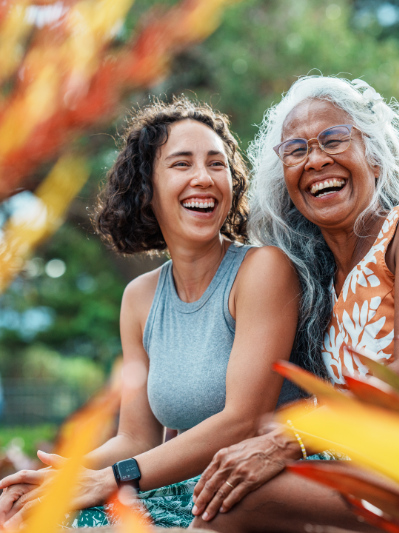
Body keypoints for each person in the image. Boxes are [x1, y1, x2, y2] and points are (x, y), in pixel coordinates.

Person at [190, 76, 399, 532]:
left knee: (240, 501)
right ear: (284, 175)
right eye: (297, 150)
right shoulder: (320, 286)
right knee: (227, 489)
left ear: (374, 153)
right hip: (396, 470)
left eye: (334, 139)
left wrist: (285, 442)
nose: (316, 160)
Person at [0, 97, 302, 529]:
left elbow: (242, 421)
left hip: (250, 494)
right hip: (180, 491)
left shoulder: (263, 270)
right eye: (182, 164)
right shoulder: (139, 298)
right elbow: (136, 438)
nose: (204, 178)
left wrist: (109, 479)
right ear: (147, 188)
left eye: (217, 164)